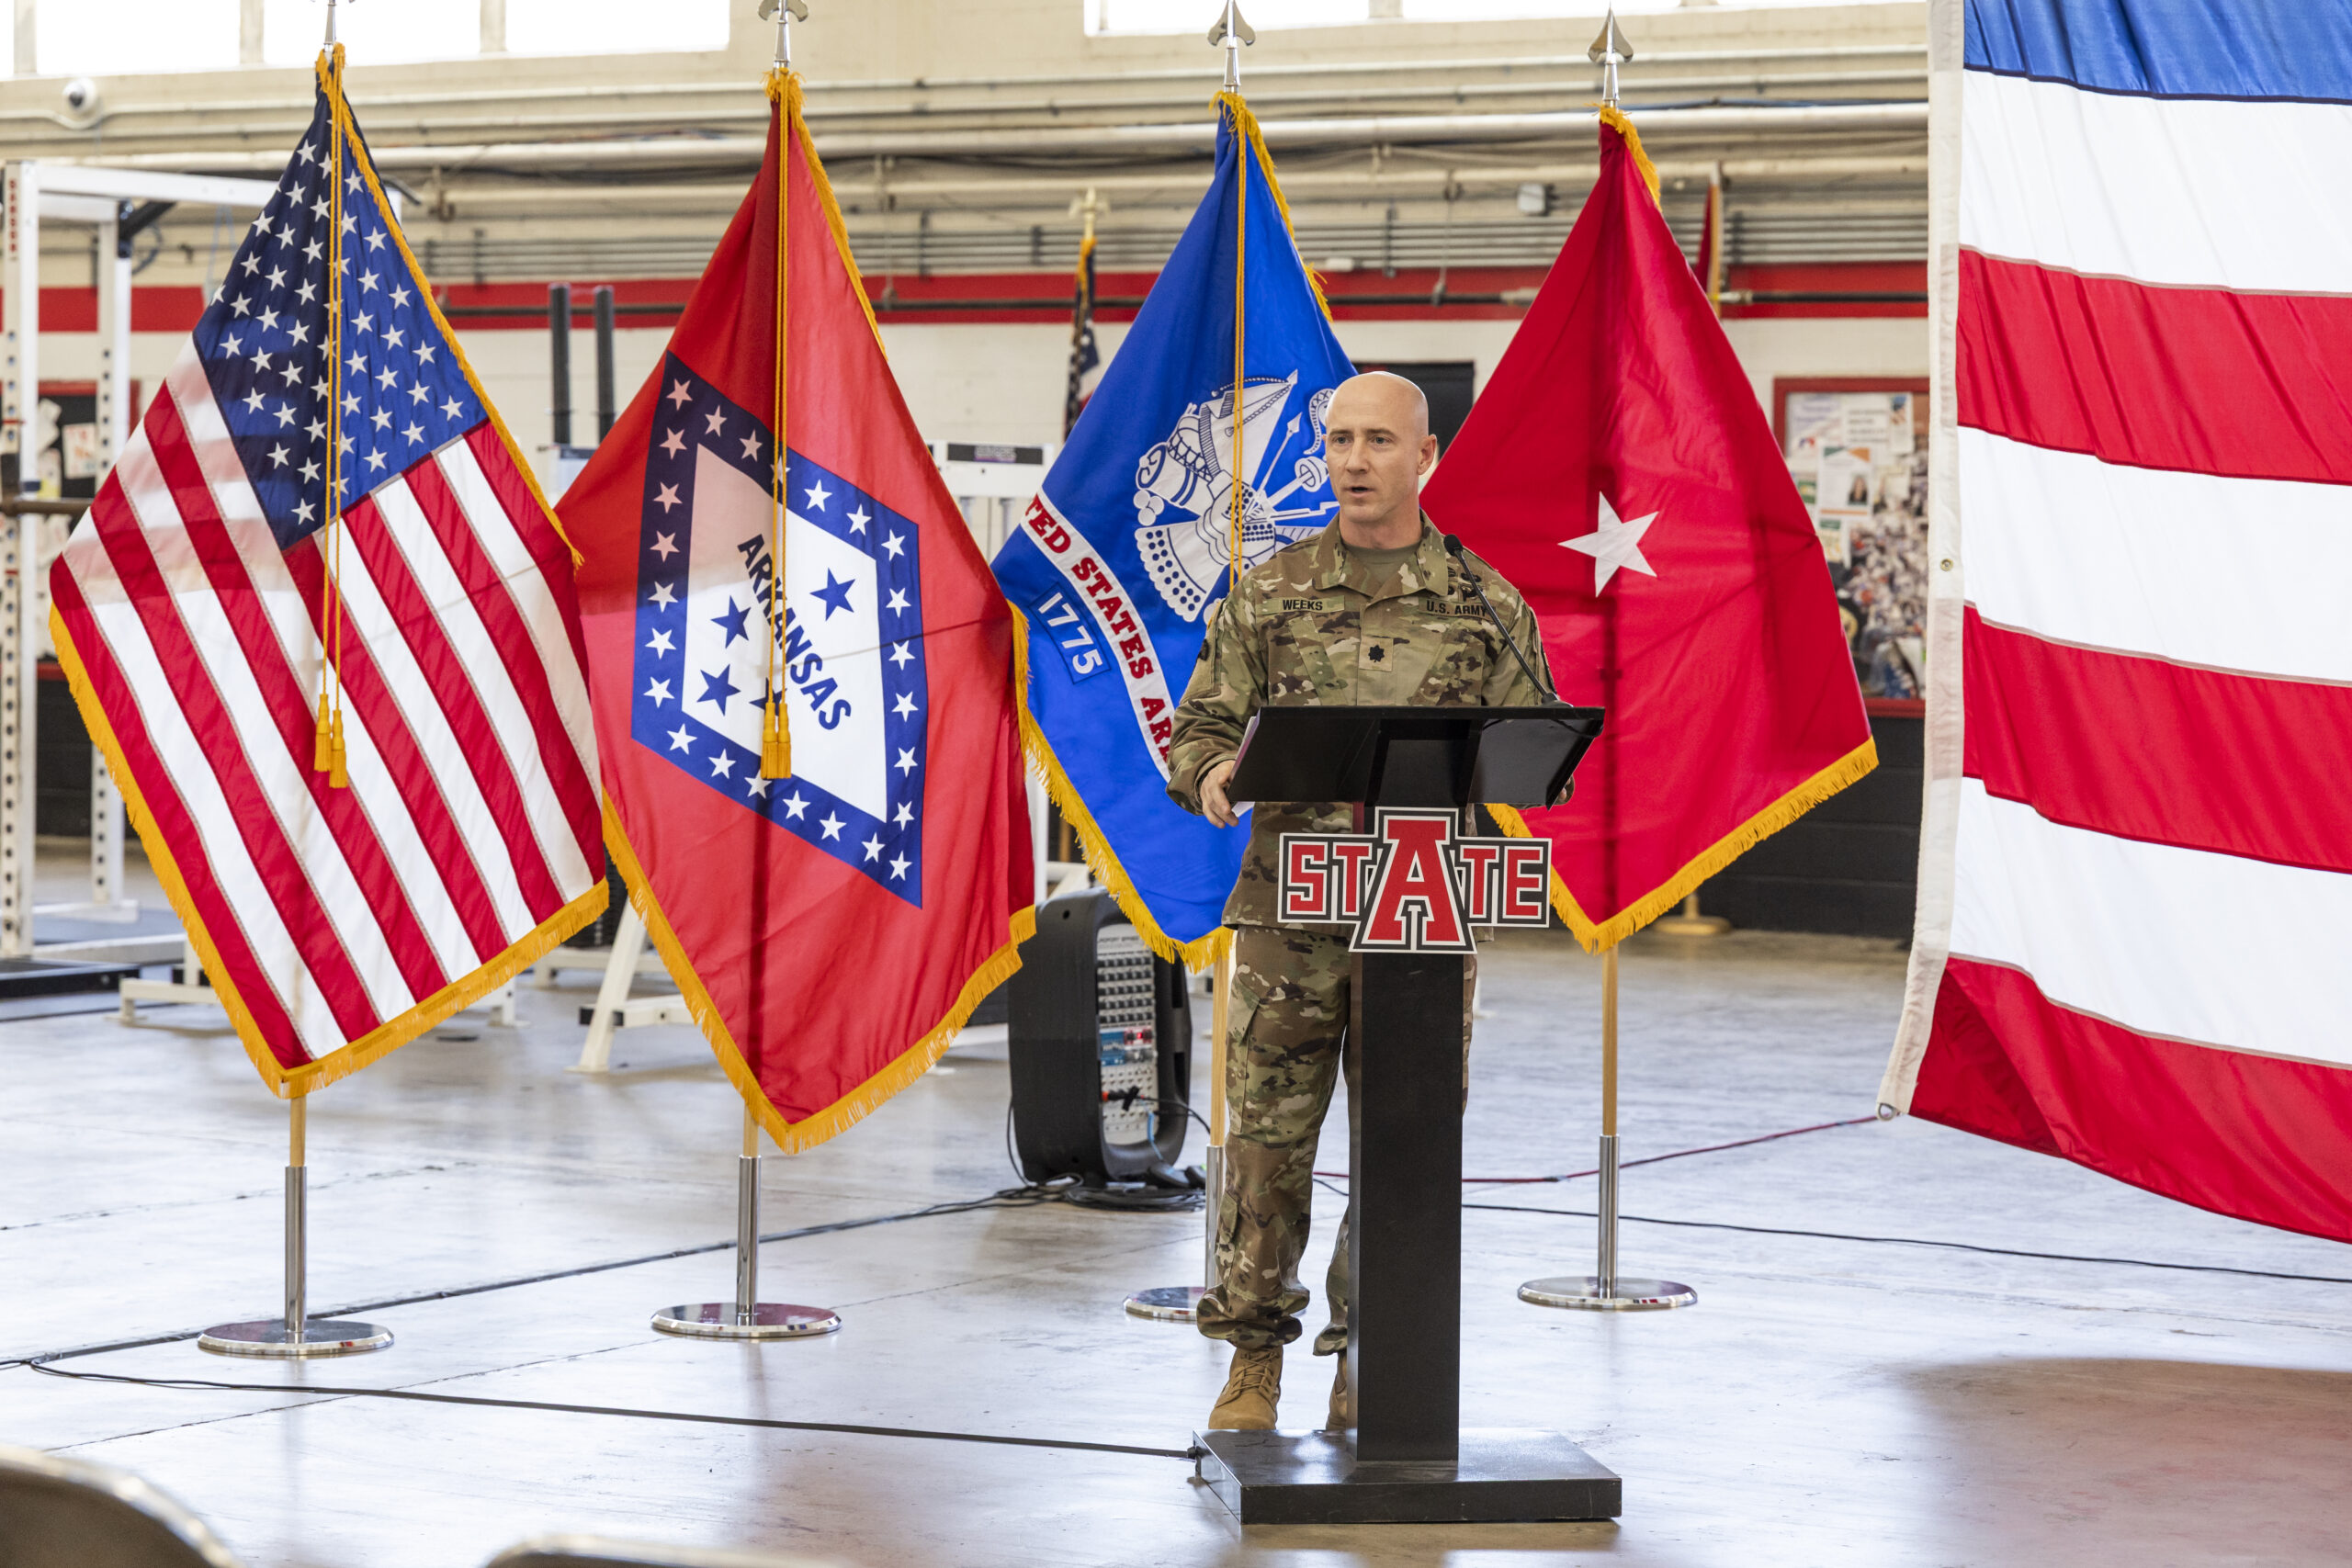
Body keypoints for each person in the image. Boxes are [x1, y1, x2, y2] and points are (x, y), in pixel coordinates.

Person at [1165, 370, 1555, 1432]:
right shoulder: (1267, 590)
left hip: (1423, 923)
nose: (1352, 460)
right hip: (1290, 924)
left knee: (1407, 1140)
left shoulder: (1485, 603)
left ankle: (1368, 1354)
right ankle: (1252, 1357)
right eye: (1337, 440)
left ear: (1424, 457)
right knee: (1264, 1143)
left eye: (1377, 440)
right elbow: (1198, 728)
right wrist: (1209, 778)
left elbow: (1535, 747)